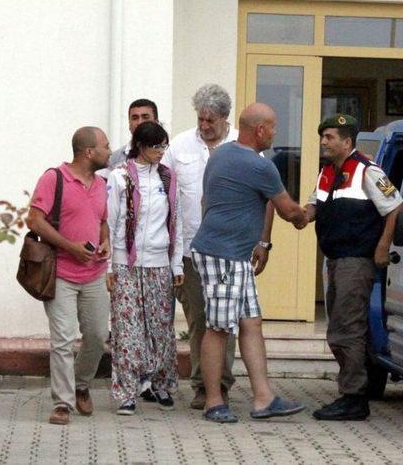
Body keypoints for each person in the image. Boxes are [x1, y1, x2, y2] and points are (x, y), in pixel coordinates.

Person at [191, 102, 306, 423]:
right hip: (223, 255)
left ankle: (263, 399)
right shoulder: (261, 166)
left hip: (231, 253)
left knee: (251, 322)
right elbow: (286, 210)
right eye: (272, 127)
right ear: (259, 129)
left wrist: (259, 241)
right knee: (218, 329)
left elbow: (209, 201)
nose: (275, 133)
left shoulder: (221, 155)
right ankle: (214, 402)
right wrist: (308, 213)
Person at [163, 84, 275, 410]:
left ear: (225, 118)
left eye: (210, 120)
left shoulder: (246, 145)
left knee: (229, 320)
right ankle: (203, 386)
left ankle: (220, 388)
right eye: (200, 119)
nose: (204, 125)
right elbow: (166, 196)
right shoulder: (180, 146)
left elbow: (267, 198)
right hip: (191, 250)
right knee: (202, 320)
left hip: (236, 249)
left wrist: (263, 241)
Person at [303, 114, 403, 421]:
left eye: (330, 137)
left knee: (348, 329)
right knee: (339, 329)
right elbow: (313, 207)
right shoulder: (327, 172)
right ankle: (352, 392)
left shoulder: (367, 170)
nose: (323, 142)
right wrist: (293, 212)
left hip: (356, 261)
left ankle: (354, 398)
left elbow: (394, 204)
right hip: (335, 260)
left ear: (347, 142)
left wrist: (383, 245)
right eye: (322, 136)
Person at [26, 126, 112, 425]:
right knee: (62, 339)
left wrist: (105, 242)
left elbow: (102, 221)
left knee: (98, 336)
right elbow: (34, 219)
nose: (110, 150)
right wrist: (70, 247)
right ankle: (62, 402)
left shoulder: (102, 184)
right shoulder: (54, 178)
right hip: (60, 272)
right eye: (105, 145)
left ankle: (81, 384)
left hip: (94, 274)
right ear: (89, 152)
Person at [106, 121, 184, 415]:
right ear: (140, 146)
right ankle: (126, 393)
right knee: (127, 330)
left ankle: (161, 385)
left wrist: (176, 265)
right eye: (156, 147)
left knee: (161, 328)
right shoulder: (120, 176)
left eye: (164, 146)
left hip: (160, 263)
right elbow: (111, 222)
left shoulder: (167, 177)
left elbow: (176, 222)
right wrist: (110, 267)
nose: (161, 152)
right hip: (125, 263)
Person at [97, 98, 158, 179]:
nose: (139, 122)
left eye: (145, 117)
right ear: (129, 123)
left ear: (156, 122)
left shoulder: (168, 155)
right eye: (135, 118)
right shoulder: (114, 160)